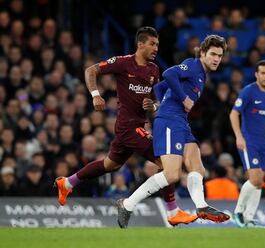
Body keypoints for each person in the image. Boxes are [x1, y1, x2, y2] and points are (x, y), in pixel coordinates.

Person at [54, 26, 197, 226]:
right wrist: (96, 95)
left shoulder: (154, 70)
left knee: (110, 164)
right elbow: (90, 71)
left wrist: (153, 104)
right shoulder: (123, 63)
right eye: (152, 44)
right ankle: (173, 211)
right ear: (140, 44)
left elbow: (157, 98)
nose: (156, 48)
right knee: (166, 164)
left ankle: (68, 182)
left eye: (158, 45)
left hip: (137, 125)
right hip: (128, 126)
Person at [116, 34, 230, 228]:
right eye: (213, 54)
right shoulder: (194, 65)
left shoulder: (201, 73)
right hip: (169, 121)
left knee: (198, 167)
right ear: (203, 53)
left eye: (219, 55)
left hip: (180, 122)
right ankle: (128, 204)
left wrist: (159, 103)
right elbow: (168, 74)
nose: (216, 59)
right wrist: (183, 98)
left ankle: (201, 206)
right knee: (172, 174)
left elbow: (160, 86)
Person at [229, 60, 265, 228]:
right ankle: (238, 212)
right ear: (256, 74)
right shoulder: (248, 91)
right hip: (248, 140)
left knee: (259, 182)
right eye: (263, 73)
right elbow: (234, 114)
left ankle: (249, 218)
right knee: (255, 179)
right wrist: (239, 136)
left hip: (263, 143)